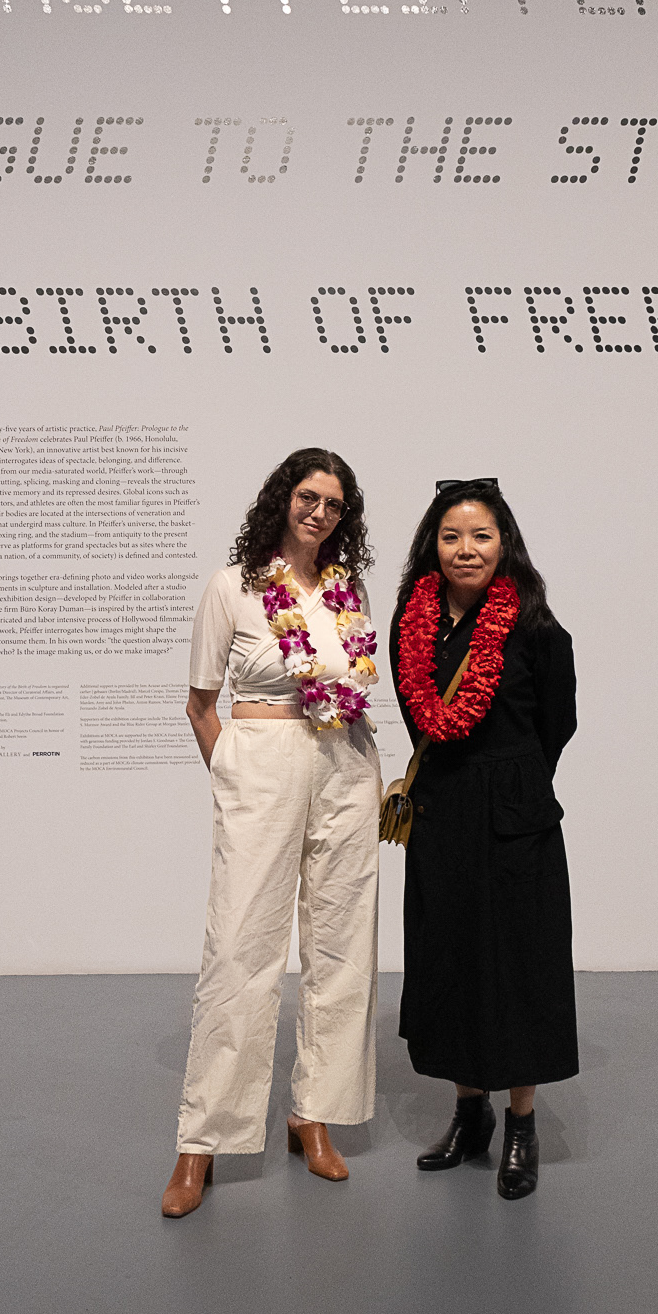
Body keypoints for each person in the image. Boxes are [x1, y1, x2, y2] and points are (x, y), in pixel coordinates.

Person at [162, 448, 383, 1218]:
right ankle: (202, 1139)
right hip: (262, 758)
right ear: (281, 499)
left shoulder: (348, 591)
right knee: (240, 945)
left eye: (334, 504)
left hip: (345, 762)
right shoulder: (234, 586)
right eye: (308, 497)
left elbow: (354, 683)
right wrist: (231, 772)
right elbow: (199, 704)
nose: (319, 512)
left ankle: (311, 1114)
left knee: (340, 941)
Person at [388, 479, 577, 1201]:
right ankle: (469, 1114)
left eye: (480, 536)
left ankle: (521, 1122)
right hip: (442, 811)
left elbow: (557, 722)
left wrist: (514, 777)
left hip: (514, 813)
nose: (465, 549)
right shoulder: (413, 619)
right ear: (431, 546)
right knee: (452, 958)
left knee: (520, 963)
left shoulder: (535, 625)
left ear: (505, 544)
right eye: (450, 536)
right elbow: (417, 712)